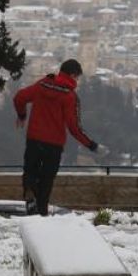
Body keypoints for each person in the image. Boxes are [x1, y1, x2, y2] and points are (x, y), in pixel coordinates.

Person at [14, 59, 98, 215]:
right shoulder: (69, 96)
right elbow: (74, 128)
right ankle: (42, 210)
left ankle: (30, 194)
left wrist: (22, 115)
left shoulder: (42, 85)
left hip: (34, 138)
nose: (77, 82)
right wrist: (91, 144)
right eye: (77, 78)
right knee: (47, 179)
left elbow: (19, 97)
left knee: (30, 171)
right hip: (53, 144)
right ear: (73, 75)